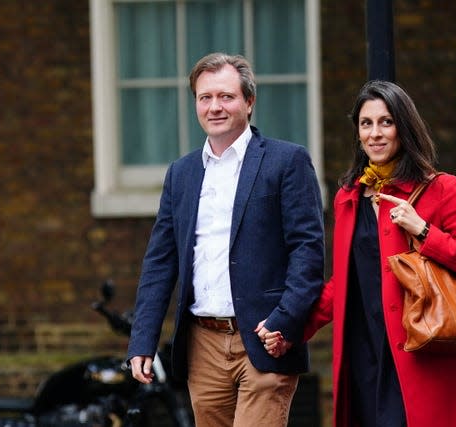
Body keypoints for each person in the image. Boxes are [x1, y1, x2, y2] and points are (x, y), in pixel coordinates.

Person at [269, 80, 456, 426]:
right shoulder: (349, 197)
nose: (375, 133)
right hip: (364, 354)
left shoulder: (442, 189)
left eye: (386, 122)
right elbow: (345, 282)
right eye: (366, 123)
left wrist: (423, 230)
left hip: (422, 354)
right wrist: (294, 329)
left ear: (403, 128)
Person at [126, 52, 325, 427]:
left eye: (226, 97)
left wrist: (284, 319)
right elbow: (160, 262)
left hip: (266, 338)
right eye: (205, 98)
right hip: (203, 344)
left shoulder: (287, 162)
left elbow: (308, 252)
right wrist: (142, 341)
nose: (215, 107)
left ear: (249, 102)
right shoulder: (181, 173)